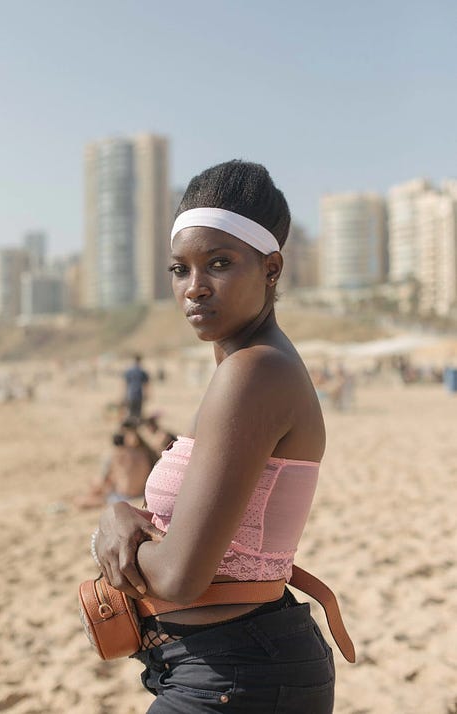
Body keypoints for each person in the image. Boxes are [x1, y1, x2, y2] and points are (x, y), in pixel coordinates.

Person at [94, 160, 353, 712]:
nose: (194, 288)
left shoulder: (253, 373)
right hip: (232, 666)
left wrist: (110, 532)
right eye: (179, 269)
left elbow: (181, 576)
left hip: (235, 674)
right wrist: (121, 512)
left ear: (272, 268)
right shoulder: (248, 369)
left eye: (218, 263)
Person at [75, 420, 158, 509]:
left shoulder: (117, 455)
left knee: (83, 498)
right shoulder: (146, 453)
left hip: (125, 496)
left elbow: (104, 480)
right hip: (142, 493)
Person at [123, 355, 150, 421]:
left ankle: (132, 426)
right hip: (139, 394)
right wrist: (147, 394)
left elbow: (125, 384)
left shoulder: (129, 371)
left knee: (131, 412)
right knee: (138, 413)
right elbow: (146, 384)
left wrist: (124, 395)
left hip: (131, 394)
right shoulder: (142, 371)